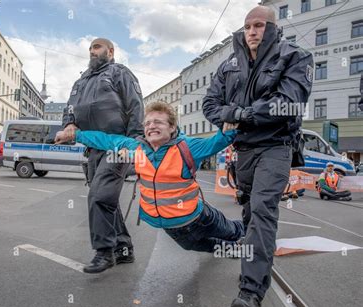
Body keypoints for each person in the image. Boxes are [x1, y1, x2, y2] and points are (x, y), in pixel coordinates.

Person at [203, 6, 314, 307]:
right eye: (248, 26)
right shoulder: (230, 64)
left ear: (273, 27)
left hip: (276, 147)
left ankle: (251, 292)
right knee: (251, 215)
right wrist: (231, 115)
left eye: (260, 25)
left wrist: (239, 114)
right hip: (242, 152)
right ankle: (254, 263)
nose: (252, 31)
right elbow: (210, 104)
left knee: (264, 212)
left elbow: (288, 104)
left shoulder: (294, 56)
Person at [56, 101, 244, 254]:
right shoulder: (135, 148)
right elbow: (104, 139)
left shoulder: (188, 147)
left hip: (199, 218)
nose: (151, 126)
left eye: (158, 122)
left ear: (172, 127)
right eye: (147, 123)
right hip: (170, 226)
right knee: (191, 245)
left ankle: (257, 243)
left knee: (232, 230)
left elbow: (218, 141)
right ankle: (231, 249)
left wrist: (231, 125)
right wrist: (74, 135)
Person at [61, 37, 144, 273]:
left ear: (110, 50)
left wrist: (134, 140)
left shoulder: (119, 73)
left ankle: (104, 252)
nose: (91, 51)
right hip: (92, 147)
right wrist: (68, 123)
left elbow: (135, 105)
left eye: (96, 47)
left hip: (117, 146)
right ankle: (124, 248)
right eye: (89, 48)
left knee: (99, 196)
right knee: (106, 198)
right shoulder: (80, 81)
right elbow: (70, 108)